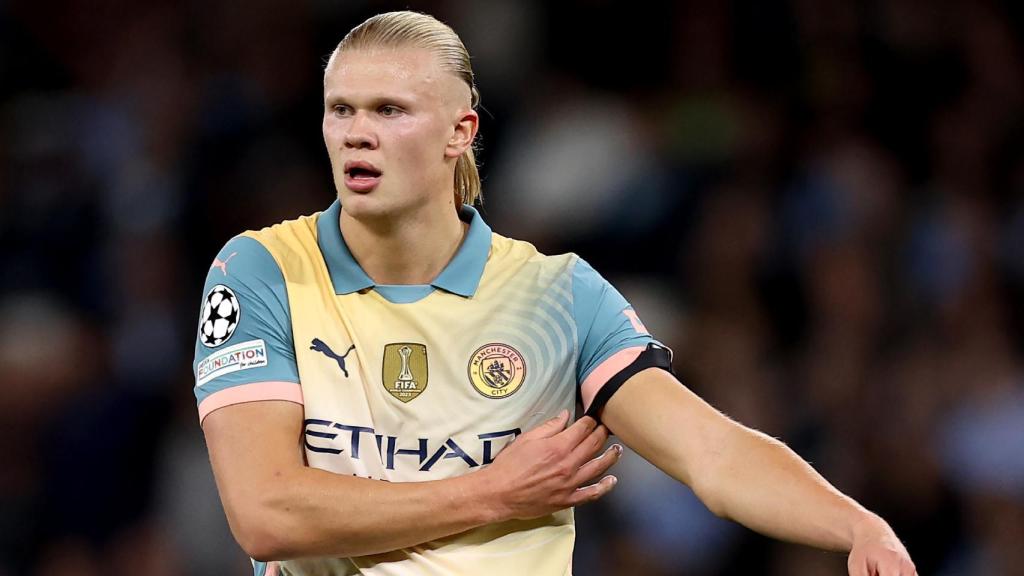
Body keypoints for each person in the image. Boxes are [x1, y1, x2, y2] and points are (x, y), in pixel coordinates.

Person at [193, 10, 917, 576]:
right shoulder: (263, 270)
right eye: (341, 109)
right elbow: (266, 513)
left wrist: (856, 523)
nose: (357, 134)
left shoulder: (555, 294)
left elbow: (712, 454)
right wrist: (491, 493)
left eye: (389, 110)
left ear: (459, 131)